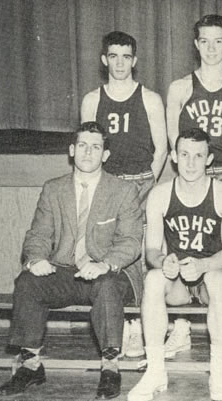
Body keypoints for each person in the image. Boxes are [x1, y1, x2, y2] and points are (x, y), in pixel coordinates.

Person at [0, 122, 144, 399]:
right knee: (28, 282)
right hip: (66, 270)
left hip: (108, 271)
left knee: (107, 285)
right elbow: (38, 234)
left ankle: (110, 368)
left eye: (96, 147)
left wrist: (105, 264)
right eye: (83, 146)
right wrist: (36, 258)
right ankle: (30, 365)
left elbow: (131, 241)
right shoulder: (54, 189)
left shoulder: (124, 190)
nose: (89, 153)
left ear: (105, 155)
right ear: (72, 150)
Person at [128, 128, 222, 401]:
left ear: (209, 159)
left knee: (214, 279)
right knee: (153, 278)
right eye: (185, 155)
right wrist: (163, 262)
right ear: (174, 157)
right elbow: (151, 250)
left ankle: (219, 371)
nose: (191, 163)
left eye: (198, 156)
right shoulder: (160, 194)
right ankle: (155, 371)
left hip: (212, 275)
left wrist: (203, 266)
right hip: (177, 280)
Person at [166, 16, 222, 354]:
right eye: (205, 41)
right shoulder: (180, 87)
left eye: (219, 41)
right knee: (185, 252)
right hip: (190, 175)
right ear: (196, 44)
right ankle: (182, 327)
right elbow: (176, 140)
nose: (212, 47)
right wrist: (197, 173)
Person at [81, 31, 168, 358]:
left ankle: (145, 327)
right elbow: (88, 148)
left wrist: (145, 184)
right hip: (107, 186)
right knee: (109, 256)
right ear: (104, 60)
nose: (119, 62)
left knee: (143, 256)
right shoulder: (92, 100)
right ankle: (125, 326)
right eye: (113, 56)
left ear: (134, 60)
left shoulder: (150, 98)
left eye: (126, 56)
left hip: (141, 184)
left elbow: (161, 149)